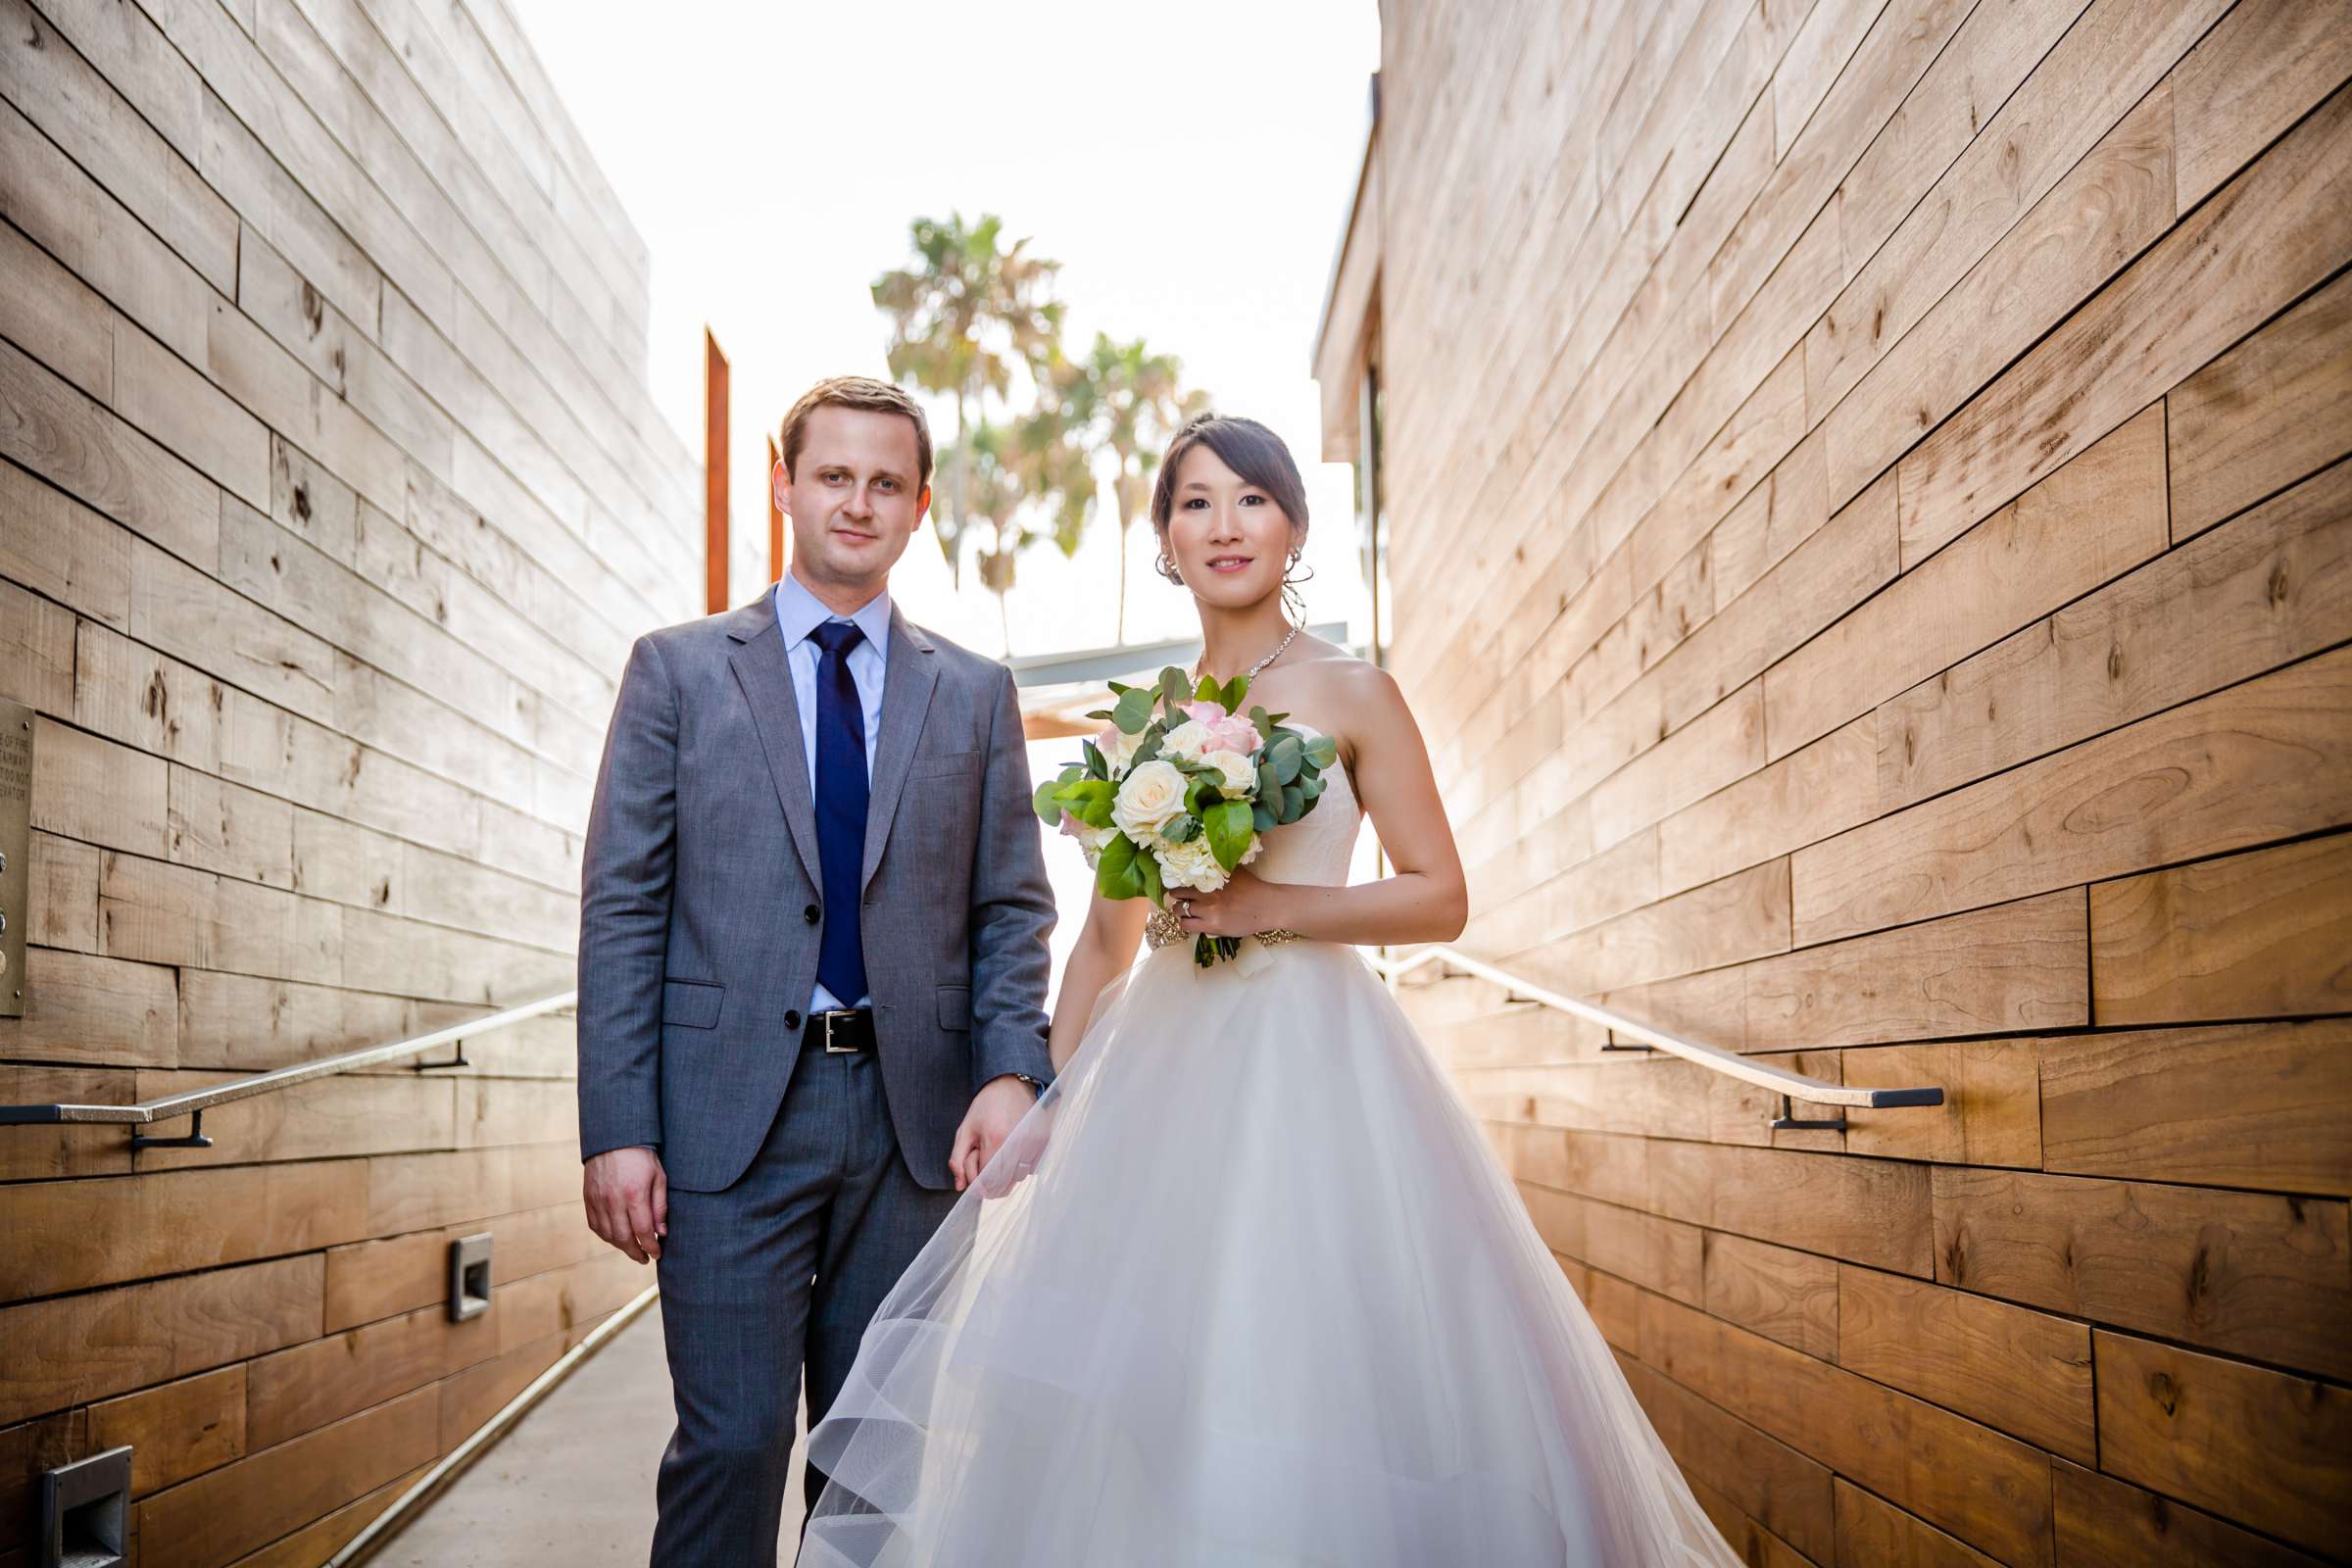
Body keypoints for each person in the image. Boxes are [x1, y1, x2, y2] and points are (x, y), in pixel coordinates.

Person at [799, 413, 1742, 1565]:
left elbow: (1439, 895)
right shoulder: (1150, 719)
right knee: (1135, 1387)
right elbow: (1103, 939)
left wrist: (1268, 908)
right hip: (1158, 1069)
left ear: (1294, 525)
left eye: (1252, 498)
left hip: (1311, 1062)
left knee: (1290, 1355)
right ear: (1164, 538)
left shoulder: (1355, 692)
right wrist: (1044, 1093)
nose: (1225, 524)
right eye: (1195, 502)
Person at [574, 375, 1055, 1564]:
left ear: (921, 505)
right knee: (731, 1445)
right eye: (834, 474)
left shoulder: (976, 693)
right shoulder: (678, 671)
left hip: (914, 1128)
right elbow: (623, 907)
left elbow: (1011, 909)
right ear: (785, 485)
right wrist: (616, 1125)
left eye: (887, 481)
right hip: (726, 1119)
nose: (859, 500)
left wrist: (1012, 1069)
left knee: (874, 1463)